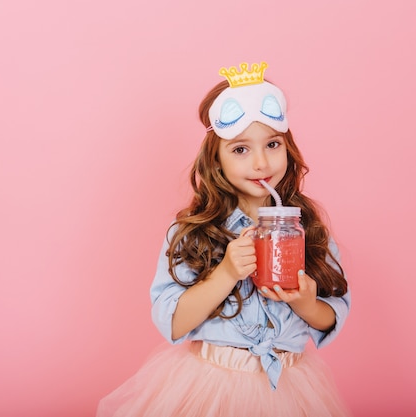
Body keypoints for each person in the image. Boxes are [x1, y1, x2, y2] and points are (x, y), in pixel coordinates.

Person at [96, 62, 352, 417]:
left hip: (289, 389)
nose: (261, 163)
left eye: (272, 144)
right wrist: (227, 272)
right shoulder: (194, 230)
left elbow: (331, 314)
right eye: (240, 149)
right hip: (211, 387)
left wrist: (306, 303)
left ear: (288, 148)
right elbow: (173, 321)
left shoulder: (307, 227)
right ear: (216, 161)